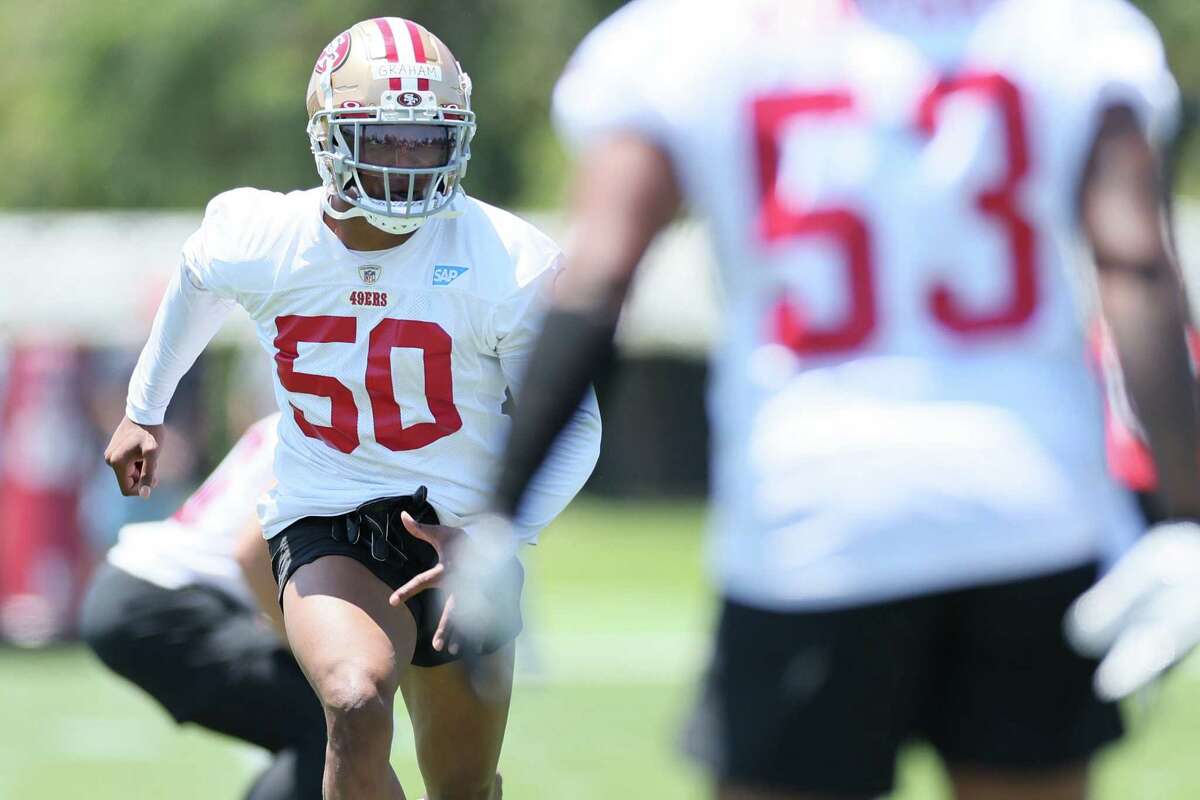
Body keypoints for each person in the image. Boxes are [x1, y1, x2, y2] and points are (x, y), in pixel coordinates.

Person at [431, 1, 1200, 799]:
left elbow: (598, 281)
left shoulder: (686, 37)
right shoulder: (1070, 26)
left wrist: (497, 512)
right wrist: (1186, 516)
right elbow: (1137, 263)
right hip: (1029, 507)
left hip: (819, 511)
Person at [103, 17, 601, 800]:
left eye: (426, 140)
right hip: (323, 511)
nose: (408, 160)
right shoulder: (268, 236)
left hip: (460, 527)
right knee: (354, 702)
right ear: (330, 137)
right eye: (386, 137)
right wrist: (146, 407)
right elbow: (198, 274)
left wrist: (500, 536)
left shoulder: (509, 259)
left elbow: (578, 424)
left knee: (464, 784)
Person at [82, 414, 326, 800]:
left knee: (323, 725)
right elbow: (250, 551)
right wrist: (304, 646)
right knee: (331, 726)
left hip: (141, 586)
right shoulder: (328, 428)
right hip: (162, 598)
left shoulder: (292, 415)